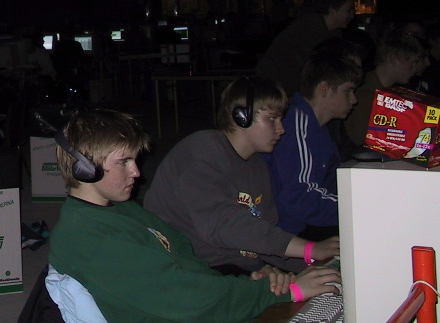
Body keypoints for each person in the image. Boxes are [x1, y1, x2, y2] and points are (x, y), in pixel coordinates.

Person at [48, 108, 340, 323]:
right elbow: (189, 298)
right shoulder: (89, 238)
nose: (136, 171)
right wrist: (281, 292)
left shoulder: (121, 209)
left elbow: (190, 268)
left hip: (209, 321)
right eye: (124, 161)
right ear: (85, 168)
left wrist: (253, 282)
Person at [144, 77, 339, 275]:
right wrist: (308, 250)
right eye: (272, 119)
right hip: (186, 267)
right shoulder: (201, 152)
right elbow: (223, 225)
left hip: (232, 266)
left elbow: (262, 234)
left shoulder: (257, 165)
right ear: (241, 117)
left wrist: (314, 265)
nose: (281, 129)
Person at [266, 51, 362, 237]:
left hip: (304, 226)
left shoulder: (317, 126)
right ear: (324, 88)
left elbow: (331, 183)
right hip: (289, 232)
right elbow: (300, 197)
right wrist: (359, 209)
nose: (354, 99)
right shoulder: (295, 122)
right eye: (348, 91)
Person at [256, 0, 356, 95]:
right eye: (348, 10)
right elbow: (315, 72)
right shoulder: (309, 30)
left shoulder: (330, 31)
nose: (352, 15)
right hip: (274, 89)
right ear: (333, 10)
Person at [343, 31, 427, 151]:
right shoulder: (364, 93)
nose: (415, 69)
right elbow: (361, 140)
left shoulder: (390, 92)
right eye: (412, 63)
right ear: (393, 59)